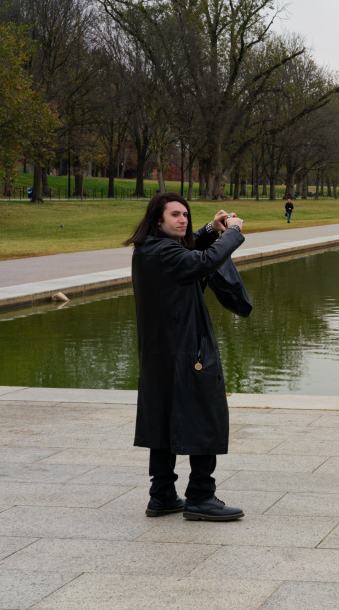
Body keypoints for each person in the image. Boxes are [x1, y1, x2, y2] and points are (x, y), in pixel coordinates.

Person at [125, 192, 246, 521]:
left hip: (160, 353)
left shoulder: (149, 250)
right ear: (158, 219)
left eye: (186, 215)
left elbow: (190, 250)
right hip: (185, 350)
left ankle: (162, 494)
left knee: (163, 418)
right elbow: (203, 262)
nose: (183, 220)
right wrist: (233, 232)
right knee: (205, 415)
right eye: (175, 215)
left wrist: (210, 228)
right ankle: (201, 496)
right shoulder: (165, 252)